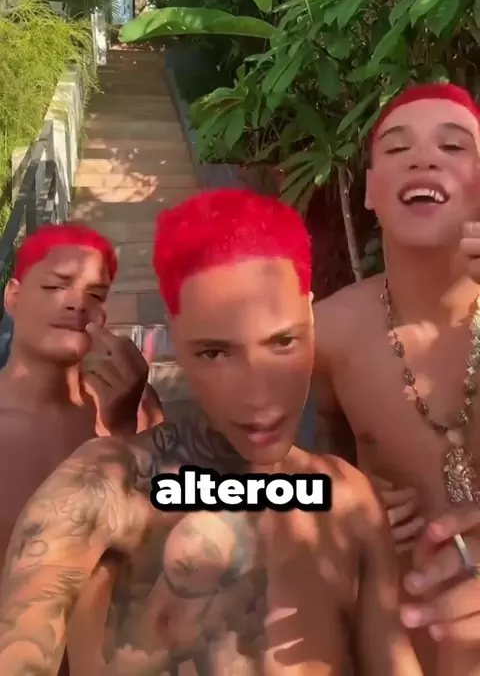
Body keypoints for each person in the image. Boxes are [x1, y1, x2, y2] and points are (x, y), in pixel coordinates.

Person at [0, 189, 422, 676]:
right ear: (176, 338)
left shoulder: (349, 499)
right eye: (216, 352)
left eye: (282, 342)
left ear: (311, 316)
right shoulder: (99, 489)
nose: (258, 392)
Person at [313, 82, 480, 673]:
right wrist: (340, 495)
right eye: (398, 148)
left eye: (453, 147)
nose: (424, 158)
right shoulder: (327, 334)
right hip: (400, 648)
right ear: (370, 192)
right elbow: (262, 472)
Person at [0, 223, 164, 565]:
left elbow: (157, 540)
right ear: (13, 297)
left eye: (96, 295)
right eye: (55, 286)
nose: (78, 303)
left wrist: (124, 434)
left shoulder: (136, 403)